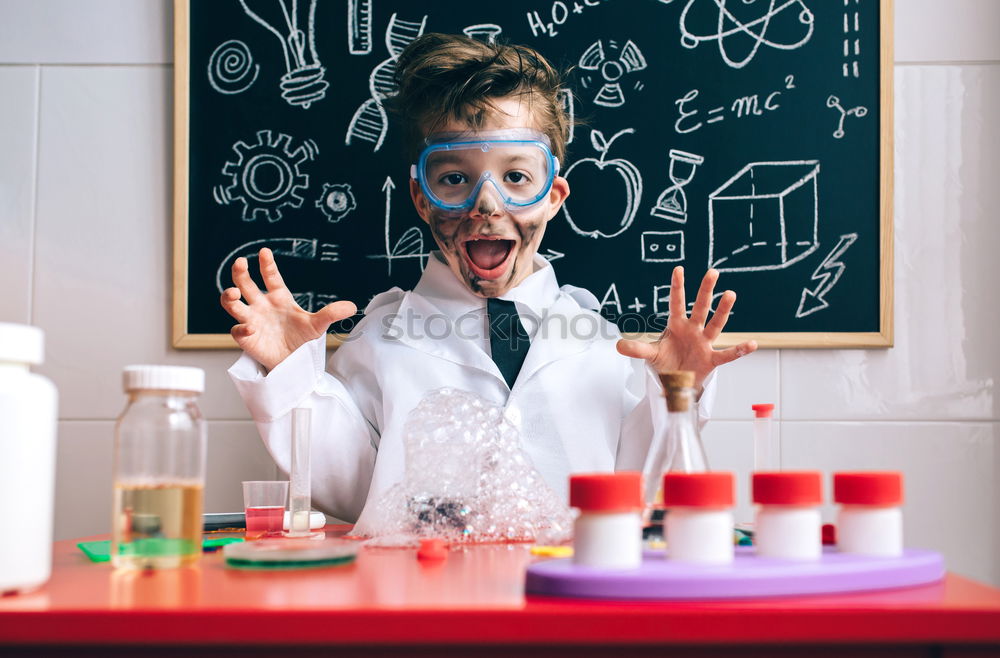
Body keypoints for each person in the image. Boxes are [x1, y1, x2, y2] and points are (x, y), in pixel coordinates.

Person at [222, 33, 757, 531]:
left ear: (553, 196)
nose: (486, 203)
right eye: (453, 178)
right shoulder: (381, 341)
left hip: (568, 600)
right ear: (420, 199)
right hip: (426, 608)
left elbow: (635, 486)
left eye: (517, 177)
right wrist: (290, 372)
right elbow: (349, 489)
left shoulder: (601, 343)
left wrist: (675, 391)